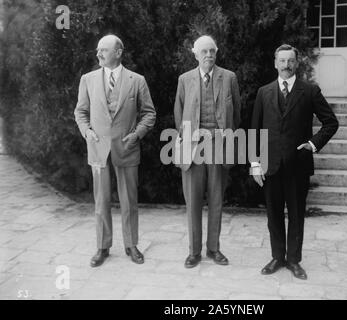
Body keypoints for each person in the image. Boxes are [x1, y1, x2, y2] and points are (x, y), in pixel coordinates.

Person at [251, 44, 338, 278]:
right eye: (282, 61)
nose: (286, 65)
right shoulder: (264, 92)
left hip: (298, 165)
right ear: (275, 63)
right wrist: (255, 164)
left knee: (297, 215)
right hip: (270, 166)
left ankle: (293, 260)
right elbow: (255, 131)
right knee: (274, 215)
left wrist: (312, 144)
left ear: (296, 63)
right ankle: (277, 257)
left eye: (290, 61)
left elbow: (331, 123)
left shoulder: (309, 91)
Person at [74, 34, 156, 267]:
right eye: (98, 50)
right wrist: (86, 131)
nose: (98, 54)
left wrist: (136, 134)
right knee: (101, 200)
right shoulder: (87, 79)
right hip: (98, 148)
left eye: (104, 50)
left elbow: (149, 113)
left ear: (118, 52)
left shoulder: (137, 80)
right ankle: (102, 246)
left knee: (129, 199)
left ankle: (131, 245)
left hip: (127, 147)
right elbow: (80, 112)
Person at [174, 35, 241, 268]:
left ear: (217, 52)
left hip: (219, 147)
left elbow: (237, 115)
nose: (209, 55)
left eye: (212, 51)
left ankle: (214, 249)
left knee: (216, 200)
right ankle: (194, 252)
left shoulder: (229, 78)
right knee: (192, 201)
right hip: (193, 148)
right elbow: (179, 113)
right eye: (204, 51)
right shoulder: (185, 80)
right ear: (195, 54)